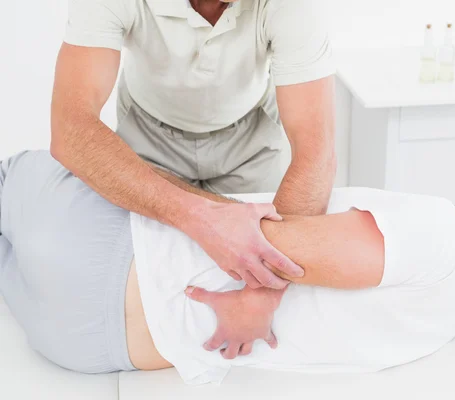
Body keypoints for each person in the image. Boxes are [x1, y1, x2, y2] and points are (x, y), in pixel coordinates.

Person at [0, 151, 455, 383]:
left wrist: (259, 297)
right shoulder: (433, 329)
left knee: (17, 169)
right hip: (91, 348)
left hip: (103, 254)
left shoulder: (439, 235)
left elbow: (286, 246)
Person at [51, 0, 337, 290]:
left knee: (264, 243)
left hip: (251, 138)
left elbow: (316, 154)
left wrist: (262, 296)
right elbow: (69, 131)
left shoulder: (296, 7)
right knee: (146, 272)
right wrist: (199, 216)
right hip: (149, 133)